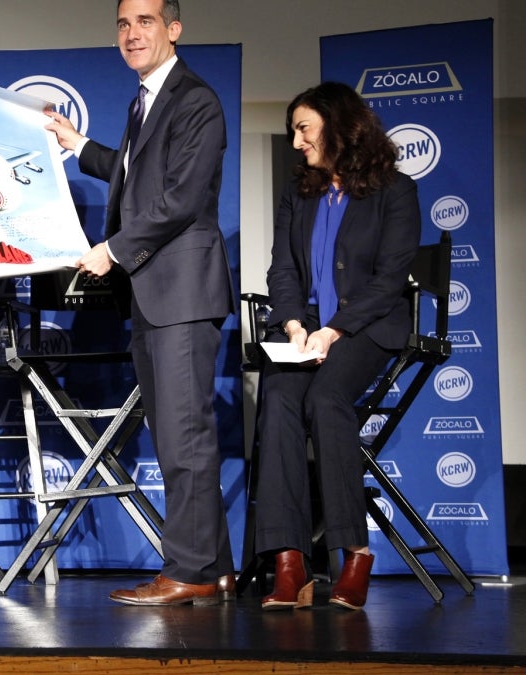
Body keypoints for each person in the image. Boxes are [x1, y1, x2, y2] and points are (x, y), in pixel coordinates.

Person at [45, 0, 235, 606]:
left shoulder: (195, 100)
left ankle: (190, 572)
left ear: (173, 29)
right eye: (124, 24)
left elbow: (179, 199)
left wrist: (114, 249)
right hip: (155, 295)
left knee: (184, 438)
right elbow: (135, 174)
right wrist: (79, 144)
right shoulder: (143, 99)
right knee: (178, 435)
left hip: (179, 291)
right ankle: (215, 568)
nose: (132, 34)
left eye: (146, 21)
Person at [254, 82, 420, 611]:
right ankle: (289, 563)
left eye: (304, 129)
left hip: (365, 329)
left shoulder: (395, 190)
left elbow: (390, 279)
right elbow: (282, 269)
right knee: (278, 400)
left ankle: (355, 551)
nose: (297, 142)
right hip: (309, 332)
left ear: (337, 124)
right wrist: (295, 324)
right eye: (293, 132)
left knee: (326, 399)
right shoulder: (298, 192)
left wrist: (335, 329)